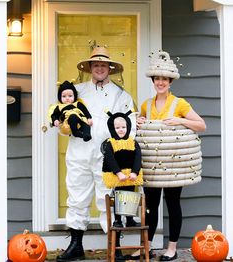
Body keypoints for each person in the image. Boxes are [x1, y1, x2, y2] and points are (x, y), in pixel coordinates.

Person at [56, 47, 135, 262]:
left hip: (107, 157)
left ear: (109, 68)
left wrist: (121, 153)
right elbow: (62, 114)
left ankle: (114, 247)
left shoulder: (121, 95)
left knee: (107, 199)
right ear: (90, 67)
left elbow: (130, 125)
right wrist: (61, 124)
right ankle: (75, 245)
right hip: (79, 153)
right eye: (96, 64)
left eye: (103, 65)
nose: (99, 68)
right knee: (77, 198)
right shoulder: (76, 92)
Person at [129, 50, 206, 261]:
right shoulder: (146, 104)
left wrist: (181, 121)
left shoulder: (179, 104)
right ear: (153, 81)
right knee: (151, 206)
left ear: (170, 81)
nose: (160, 82)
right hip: (152, 164)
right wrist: (138, 121)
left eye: (164, 79)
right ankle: (148, 245)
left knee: (173, 204)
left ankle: (171, 248)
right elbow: (138, 128)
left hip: (174, 166)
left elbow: (201, 125)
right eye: (157, 79)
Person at [102, 111, 143, 228]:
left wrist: (135, 172)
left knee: (130, 196)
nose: (121, 130)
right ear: (112, 128)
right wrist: (118, 173)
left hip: (130, 176)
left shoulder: (133, 143)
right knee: (118, 197)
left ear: (128, 127)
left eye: (124, 127)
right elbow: (110, 159)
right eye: (117, 127)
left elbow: (137, 158)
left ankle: (130, 219)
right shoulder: (110, 144)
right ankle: (118, 220)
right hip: (118, 177)